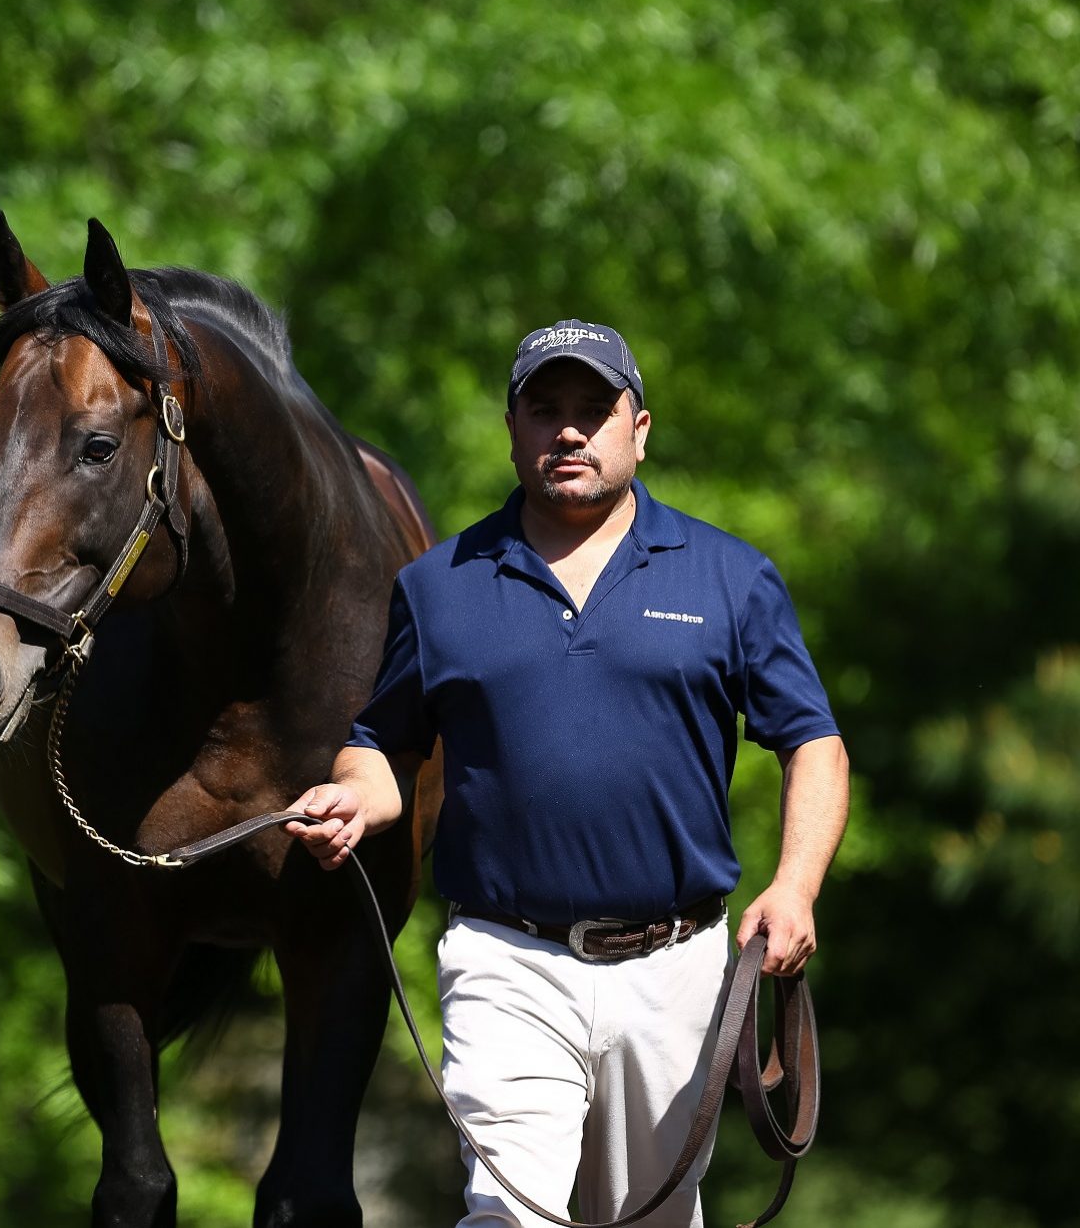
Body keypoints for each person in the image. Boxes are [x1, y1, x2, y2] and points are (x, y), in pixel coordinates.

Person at [287, 319, 849, 1228]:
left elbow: (814, 744)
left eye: (595, 408)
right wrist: (354, 796)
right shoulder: (440, 586)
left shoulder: (729, 576)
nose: (570, 430)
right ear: (511, 428)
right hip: (507, 959)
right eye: (545, 409)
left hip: (677, 962)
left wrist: (795, 886)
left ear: (641, 427)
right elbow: (384, 745)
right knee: (506, 1215)